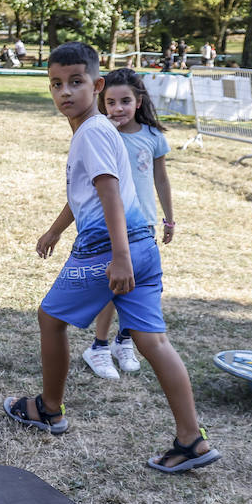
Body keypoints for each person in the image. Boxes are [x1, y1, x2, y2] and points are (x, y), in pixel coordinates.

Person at [2, 42, 218, 473]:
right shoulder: (99, 131)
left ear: (97, 86)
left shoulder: (93, 133)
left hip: (109, 249)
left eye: (76, 82)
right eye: (56, 84)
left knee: (50, 318)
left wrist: (117, 257)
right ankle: (191, 440)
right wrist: (57, 229)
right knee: (153, 341)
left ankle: (49, 409)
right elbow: (87, 194)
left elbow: (110, 195)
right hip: (143, 247)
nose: (65, 92)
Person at [81, 67, 175, 381]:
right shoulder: (103, 136)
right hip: (110, 226)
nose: (117, 108)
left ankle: (124, 342)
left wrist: (169, 218)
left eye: (124, 101)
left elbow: (161, 179)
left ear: (138, 101)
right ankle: (98, 345)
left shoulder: (153, 137)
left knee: (136, 289)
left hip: (144, 227)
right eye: (110, 102)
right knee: (112, 288)